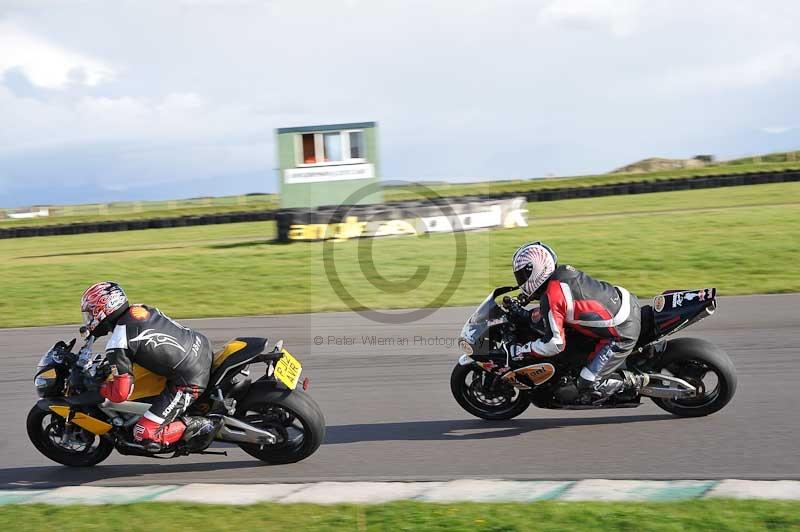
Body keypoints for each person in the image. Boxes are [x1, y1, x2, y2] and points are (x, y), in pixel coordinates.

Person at [80, 281, 215, 451]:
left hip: (189, 380)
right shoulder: (139, 310)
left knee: (143, 433)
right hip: (201, 345)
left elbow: (121, 394)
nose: (89, 320)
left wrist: (99, 388)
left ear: (103, 309)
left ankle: (204, 425)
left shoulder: (118, 342)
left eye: (90, 314)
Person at [507, 242, 649, 400]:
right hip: (624, 301)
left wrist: (522, 350)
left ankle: (635, 381)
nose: (521, 281)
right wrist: (524, 314)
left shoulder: (552, 296)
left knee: (588, 383)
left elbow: (555, 344)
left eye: (522, 276)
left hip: (621, 331)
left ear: (537, 271)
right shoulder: (561, 274)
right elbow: (554, 311)